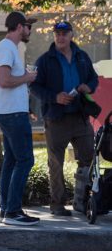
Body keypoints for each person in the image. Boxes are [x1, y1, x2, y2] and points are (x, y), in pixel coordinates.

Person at [30, 21, 98, 216]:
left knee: (88, 160)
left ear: (71, 35)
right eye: (57, 33)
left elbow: (93, 79)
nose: (60, 37)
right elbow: (34, 87)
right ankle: (57, 204)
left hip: (80, 117)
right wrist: (55, 97)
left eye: (64, 33)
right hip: (56, 118)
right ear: (54, 36)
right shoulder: (45, 60)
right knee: (56, 163)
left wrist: (88, 87)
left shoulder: (82, 57)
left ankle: (84, 202)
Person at [0, 11, 40, 226]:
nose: (30, 30)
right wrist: (27, 77)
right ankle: (12, 211)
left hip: (10, 111)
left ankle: (6, 209)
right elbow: (4, 80)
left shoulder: (8, 48)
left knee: (11, 160)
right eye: (28, 26)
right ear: (20, 27)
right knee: (25, 159)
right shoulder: (7, 48)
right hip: (12, 113)